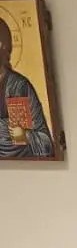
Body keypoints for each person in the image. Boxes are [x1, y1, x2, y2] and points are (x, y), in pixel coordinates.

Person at [0, 16, 54, 159]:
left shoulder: (18, 86)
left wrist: (26, 135)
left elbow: (46, 143)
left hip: (23, 163)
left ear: (3, 46)